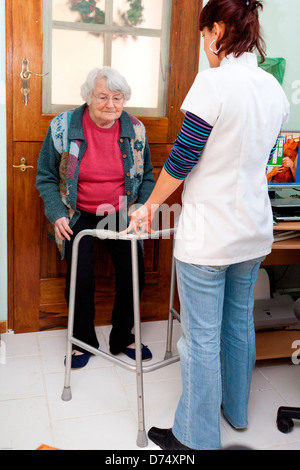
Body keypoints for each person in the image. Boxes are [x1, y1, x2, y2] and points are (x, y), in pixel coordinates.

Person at [125, 0, 290, 450]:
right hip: (254, 231)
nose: (205, 47)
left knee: (200, 339)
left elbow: (182, 159)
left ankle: (194, 438)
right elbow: (258, 158)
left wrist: (149, 206)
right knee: (238, 324)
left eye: (204, 36)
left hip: (209, 238)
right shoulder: (273, 90)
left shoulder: (212, 84)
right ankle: (235, 412)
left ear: (217, 30)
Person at [36, 66, 155, 368]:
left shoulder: (136, 131)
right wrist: (57, 213)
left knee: (133, 272)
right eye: (103, 96)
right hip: (78, 212)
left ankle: (123, 336)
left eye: (118, 98)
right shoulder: (63, 127)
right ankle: (82, 340)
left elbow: (149, 177)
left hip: (119, 211)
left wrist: (140, 206)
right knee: (81, 276)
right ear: (88, 96)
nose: (111, 105)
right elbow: (46, 176)